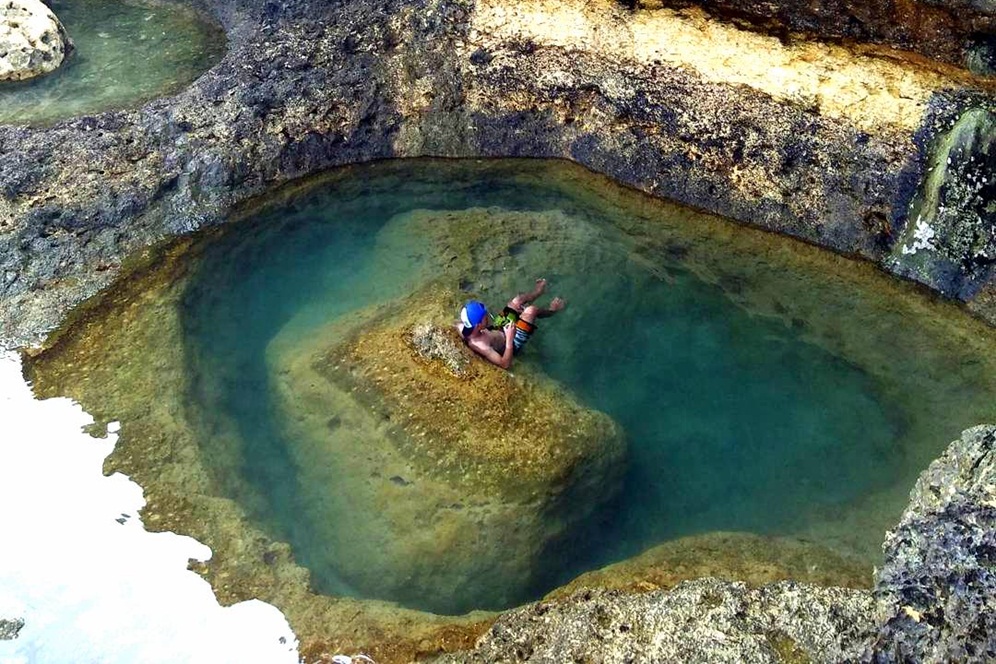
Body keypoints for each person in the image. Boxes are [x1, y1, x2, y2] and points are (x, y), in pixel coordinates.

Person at [457, 278, 565, 369]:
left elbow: (454, 325)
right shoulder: (480, 345)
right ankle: (552, 311)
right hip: (512, 341)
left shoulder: (464, 327)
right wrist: (509, 338)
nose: (488, 315)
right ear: (478, 325)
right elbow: (505, 364)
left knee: (517, 300)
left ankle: (537, 292)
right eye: (485, 316)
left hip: (498, 328)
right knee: (531, 310)